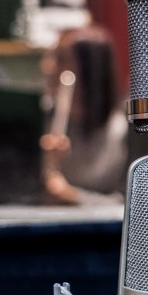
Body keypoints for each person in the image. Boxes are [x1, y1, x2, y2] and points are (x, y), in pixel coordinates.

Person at [38, 25, 129, 205]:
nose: (48, 67)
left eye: (61, 59)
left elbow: (131, 204)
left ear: (91, 69)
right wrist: (45, 166)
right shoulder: (45, 122)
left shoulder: (125, 130)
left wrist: (73, 197)